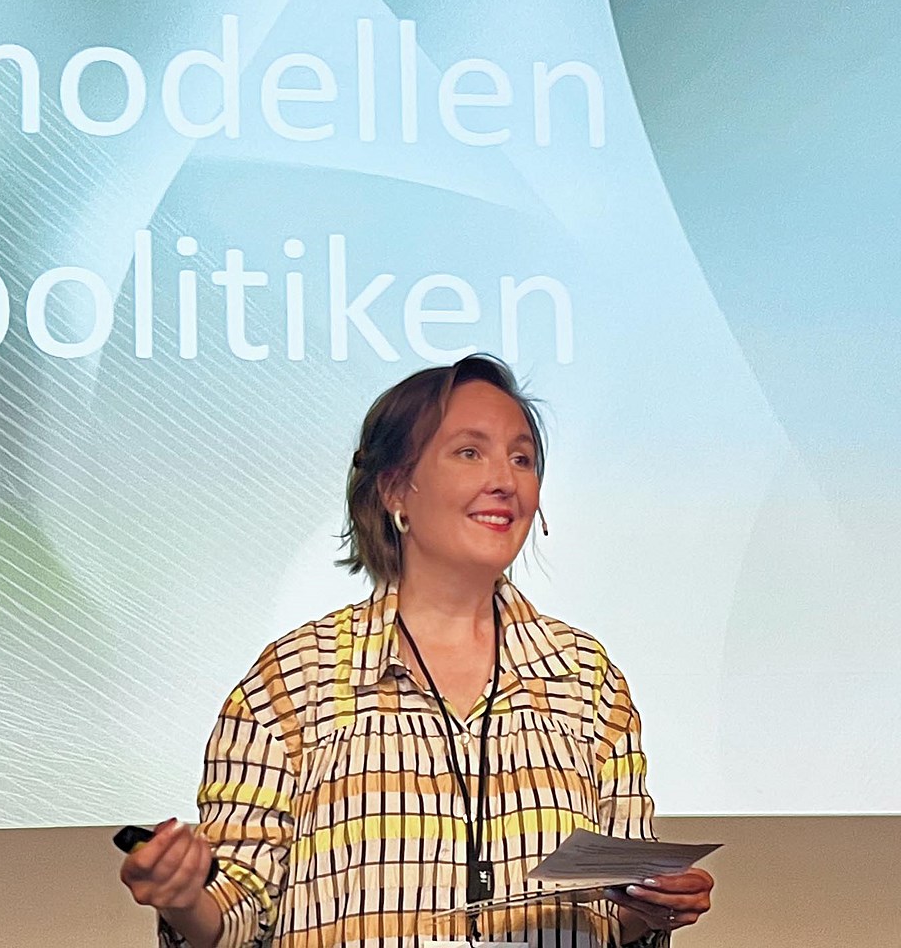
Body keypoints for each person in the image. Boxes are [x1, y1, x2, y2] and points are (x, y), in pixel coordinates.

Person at [120, 355, 714, 947]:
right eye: (470, 452)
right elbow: (235, 915)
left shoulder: (585, 679)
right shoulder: (296, 680)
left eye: (522, 458)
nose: (505, 481)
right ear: (395, 488)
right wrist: (183, 897)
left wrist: (654, 909)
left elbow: (617, 911)